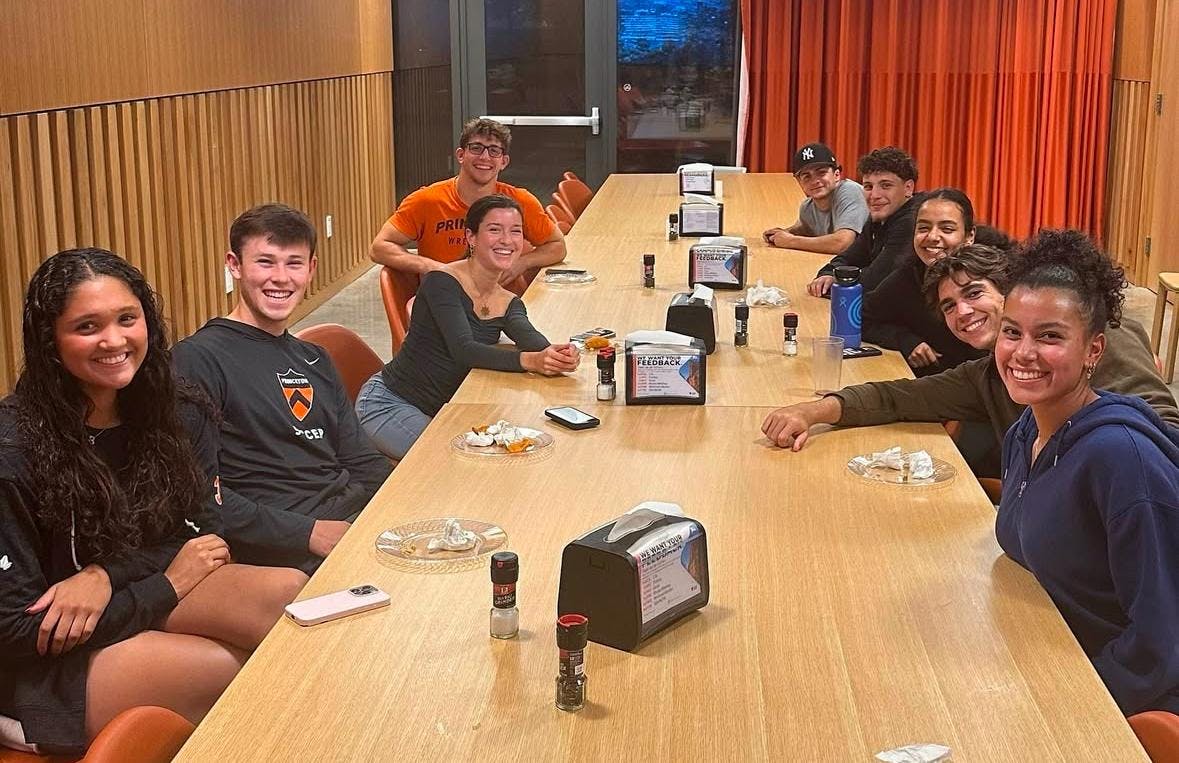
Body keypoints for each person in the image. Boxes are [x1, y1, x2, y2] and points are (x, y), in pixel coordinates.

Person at [0, 249, 305, 754]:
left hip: (121, 599)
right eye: (87, 326)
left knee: (286, 596)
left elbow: (198, 532)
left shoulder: (176, 408)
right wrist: (167, 584)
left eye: (127, 319)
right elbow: (16, 628)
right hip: (38, 662)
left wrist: (107, 575)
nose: (114, 341)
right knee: (223, 669)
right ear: (50, 341)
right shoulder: (13, 449)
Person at [761, 238, 1179, 459]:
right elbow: (895, 397)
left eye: (974, 293)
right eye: (949, 306)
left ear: (1011, 291)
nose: (962, 311)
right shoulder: (990, 373)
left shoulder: (1101, 340)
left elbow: (1167, 435)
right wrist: (810, 411)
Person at [993, 230, 1179, 716]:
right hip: (1052, 653)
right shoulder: (1026, 432)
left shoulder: (1121, 459)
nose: (1022, 352)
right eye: (1012, 331)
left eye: (1050, 336)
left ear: (1094, 350)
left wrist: (1068, 705)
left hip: (1130, 696)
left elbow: (1162, 643)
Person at [174, 204, 392, 574]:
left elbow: (362, 461)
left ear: (311, 269)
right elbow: (199, 495)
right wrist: (307, 533)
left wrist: (401, 503)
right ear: (234, 265)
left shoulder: (315, 359)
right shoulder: (197, 359)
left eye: (293, 263)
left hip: (351, 522)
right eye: (265, 262)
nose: (280, 278)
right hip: (286, 547)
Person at [356, 195, 579, 460]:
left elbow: (534, 342)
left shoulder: (508, 302)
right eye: (495, 230)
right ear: (471, 237)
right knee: (454, 464)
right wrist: (534, 360)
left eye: (515, 231)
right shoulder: (442, 282)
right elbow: (464, 350)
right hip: (390, 403)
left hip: (444, 409)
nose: (507, 240)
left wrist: (559, 354)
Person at [370, 118, 567, 291]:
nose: (485, 157)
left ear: (504, 161)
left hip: (506, 304)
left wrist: (523, 263)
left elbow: (557, 246)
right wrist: (432, 267)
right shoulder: (426, 200)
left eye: (494, 151)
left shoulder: (520, 201)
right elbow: (379, 247)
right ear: (461, 155)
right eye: (476, 148)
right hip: (447, 303)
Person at [861, 188, 992, 375]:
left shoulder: (996, 279)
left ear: (969, 236)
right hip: (944, 386)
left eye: (947, 229)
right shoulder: (907, 277)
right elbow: (863, 318)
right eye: (923, 228)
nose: (932, 237)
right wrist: (905, 340)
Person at [806, 146, 922, 296]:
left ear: (908, 188)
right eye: (868, 186)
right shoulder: (880, 216)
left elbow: (876, 280)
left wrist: (836, 282)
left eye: (886, 185)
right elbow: (850, 256)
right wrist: (827, 274)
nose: (874, 195)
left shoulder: (913, 221)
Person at [761, 142, 868, 255]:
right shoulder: (807, 207)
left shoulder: (850, 192)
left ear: (837, 175)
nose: (815, 181)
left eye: (821, 173)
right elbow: (805, 229)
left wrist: (789, 240)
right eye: (807, 176)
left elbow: (842, 243)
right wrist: (783, 233)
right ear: (799, 182)